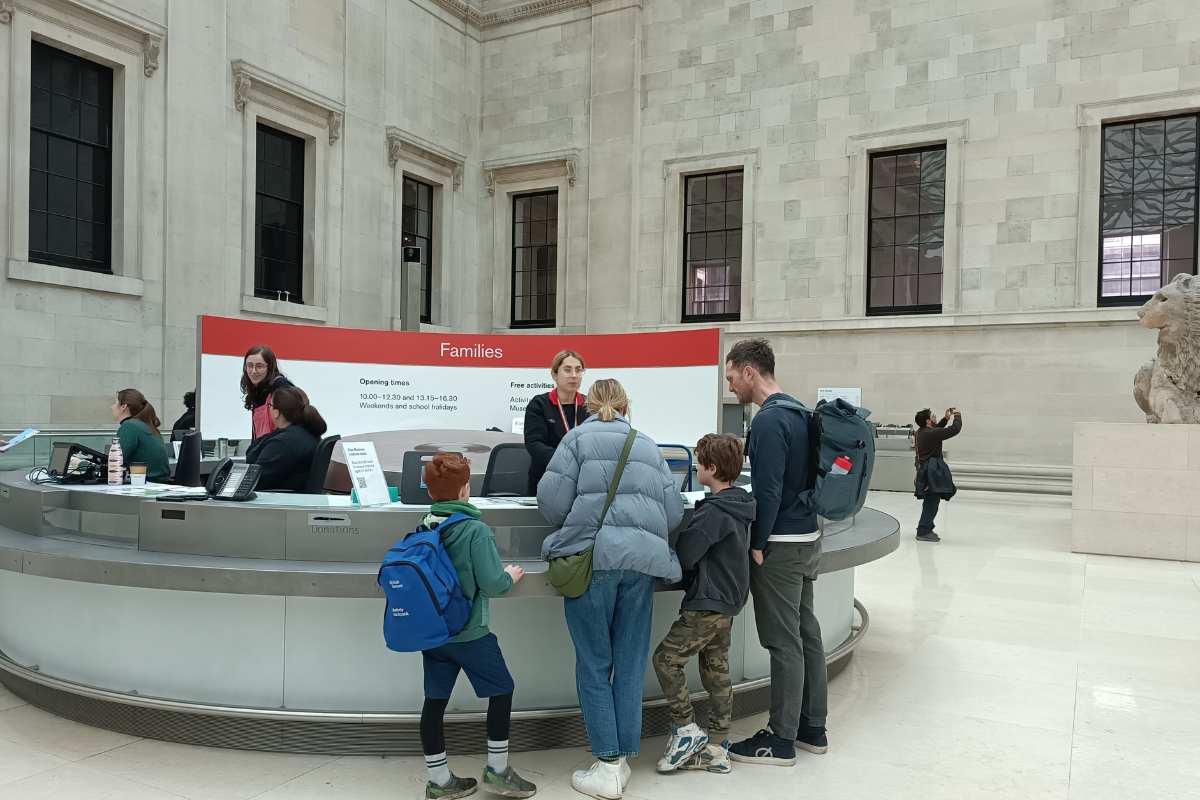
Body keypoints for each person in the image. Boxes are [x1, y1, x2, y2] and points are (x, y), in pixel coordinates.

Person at [537, 378, 683, 800]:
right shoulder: (648, 444)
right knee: (630, 661)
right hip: (641, 566)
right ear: (623, 405)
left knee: (594, 663)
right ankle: (621, 760)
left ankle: (606, 763)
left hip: (593, 561)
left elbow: (550, 505)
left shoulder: (575, 440)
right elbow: (672, 512)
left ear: (590, 405)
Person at [722, 338, 828, 766]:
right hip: (808, 538)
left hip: (780, 545)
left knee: (783, 642)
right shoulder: (801, 412)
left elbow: (767, 490)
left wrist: (758, 543)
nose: (731, 388)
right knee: (807, 634)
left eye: (731, 378)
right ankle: (811, 728)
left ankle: (780, 738)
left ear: (750, 371)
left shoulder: (768, 422)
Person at [417, 452, 537, 800]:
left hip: (435, 633)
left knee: (434, 702)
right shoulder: (475, 530)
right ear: (466, 489)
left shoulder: (425, 524)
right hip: (470, 633)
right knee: (502, 690)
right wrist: (509, 576)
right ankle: (497, 771)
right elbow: (492, 583)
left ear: (430, 492)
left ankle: (439, 781)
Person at [652, 433, 755, 776]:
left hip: (707, 602)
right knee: (716, 670)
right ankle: (718, 744)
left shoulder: (713, 512)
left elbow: (687, 555)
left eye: (699, 462)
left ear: (711, 468)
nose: (696, 467)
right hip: (729, 602)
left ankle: (686, 731)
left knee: (666, 660)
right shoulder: (740, 506)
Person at [523, 350, 588, 495]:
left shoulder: (590, 406)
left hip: (583, 482)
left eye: (578, 370)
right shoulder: (539, 404)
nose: (574, 375)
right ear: (554, 374)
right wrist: (567, 462)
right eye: (567, 369)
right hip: (547, 479)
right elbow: (534, 444)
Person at [244, 387, 327, 492]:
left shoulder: (283, 443)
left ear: (276, 412)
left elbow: (253, 481)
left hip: (278, 501)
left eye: (270, 405)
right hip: (297, 499)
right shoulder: (308, 433)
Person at [914, 407, 962, 542]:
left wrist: (945, 419)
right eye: (932, 416)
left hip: (926, 471)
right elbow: (955, 429)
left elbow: (936, 431)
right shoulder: (930, 433)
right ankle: (924, 531)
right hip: (931, 472)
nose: (935, 417)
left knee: (931, 501)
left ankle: (925, 528)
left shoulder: (921, 432)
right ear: (928, 421)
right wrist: (957, 415)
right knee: (932, 501)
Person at [111, 389, 171, 483]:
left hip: (143, 484)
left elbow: (115, 462)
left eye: (115, 403)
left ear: (123, 406)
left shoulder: (129, 426)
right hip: (157, 484)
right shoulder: (146, 425)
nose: (112, 407)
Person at [241, 345, 294, 440]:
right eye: (249, 365)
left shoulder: (281, 387)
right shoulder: (257, 391)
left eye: (259, 366)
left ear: (270, 368)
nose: (253, 371)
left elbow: (291, 428)